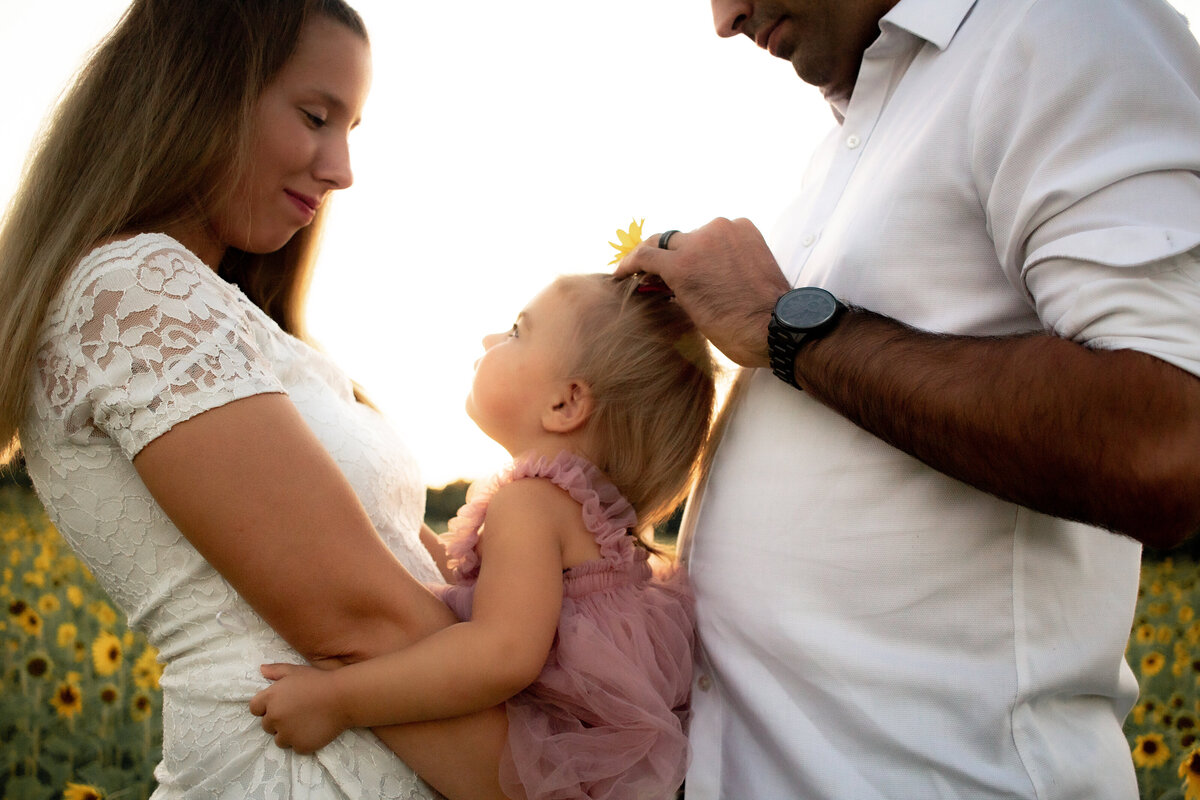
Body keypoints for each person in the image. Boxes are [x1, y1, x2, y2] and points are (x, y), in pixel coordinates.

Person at [615, 0, 1200, 798]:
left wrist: (789, 324)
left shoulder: (1063, 25)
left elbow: (1169, 439)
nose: (725, 18)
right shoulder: (842, 150)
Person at [0, 1, 511, 797]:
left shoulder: (236, 322)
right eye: (315, 116)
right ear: (199, 92)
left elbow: (401, 582)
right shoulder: (134, 290)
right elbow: (354, 619)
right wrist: (569, 775)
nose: (341, 168)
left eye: (350, 129)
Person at [249, 272, 718, 800]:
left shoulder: (530, 502)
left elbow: (503, 652)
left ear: (565, 405)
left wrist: (339, 699)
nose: (489, 340)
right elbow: (490, 593)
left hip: (562, 761)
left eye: (518, 330)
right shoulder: (581, 516)